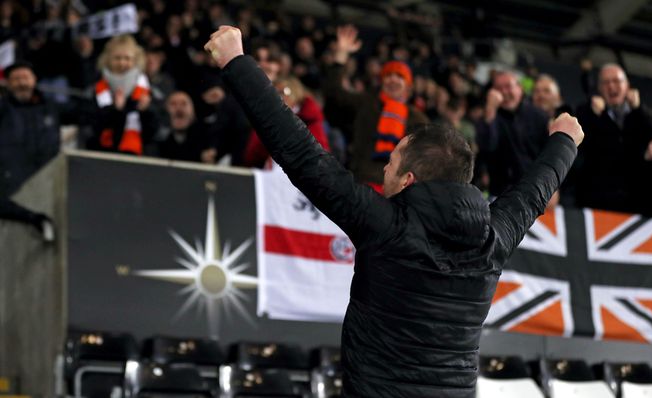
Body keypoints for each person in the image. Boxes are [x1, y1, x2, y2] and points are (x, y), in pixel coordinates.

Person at [205, 26, 583, 398]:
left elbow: (302, 154)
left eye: (392, 161)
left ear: (408, 179)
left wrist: (237, 63)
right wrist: (564, 142)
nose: (384, 168)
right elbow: (534, 191)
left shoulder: (384, 225)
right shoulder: (492, 239)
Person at [324, 24, 428, 192]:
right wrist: (341, 56)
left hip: (396, 193)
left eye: (399, 76)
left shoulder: (418, 120)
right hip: (359, 184)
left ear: (409, 88)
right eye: (388, 75)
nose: (392, 79)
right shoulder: (367, 102)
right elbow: (335, 94)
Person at [575, 63, 652, 213]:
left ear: (627, 86)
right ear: (599, 89)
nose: (611, 86)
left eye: (617, 81)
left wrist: (638, 110)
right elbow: (584, 150)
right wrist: (594, 116)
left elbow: (651, 143)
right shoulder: (586, 112)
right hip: (596, 202)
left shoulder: (643, 114)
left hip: (635, 204)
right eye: (606, 82)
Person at [0, 62, 58, 240]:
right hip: (10, 177)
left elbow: (89, 115)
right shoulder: (3, 109)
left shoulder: (51, 107)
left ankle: (40, 221)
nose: (22, 83)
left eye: (25, 78)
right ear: (8, 84)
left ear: (34, 80)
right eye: (16, 79)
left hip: (48, 175)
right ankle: (37, 220)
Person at [476, 70, 550, 196]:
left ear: (520, 88)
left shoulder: (539, 116)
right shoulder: (489, 117)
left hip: (536, 190)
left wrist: (552, 185)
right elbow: (487, 145)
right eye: (499, 88)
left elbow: (549, 153)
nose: (504, 92)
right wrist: (490, 110)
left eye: (508, 86)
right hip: (500, 192)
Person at [87, 35, 158, 156]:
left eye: (127, 58)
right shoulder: (99, 87)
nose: (122, 63)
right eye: (117, 58)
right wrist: (116, 111)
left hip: (137, 154)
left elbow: (152, 131)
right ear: (108, 60)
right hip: (105, 154)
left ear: (135, 60)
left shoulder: (145, 87)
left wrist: (145, 111)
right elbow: (94, 125)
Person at [243, 76, 330, 168]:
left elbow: (321, 159)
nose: (277, 97)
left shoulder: (310, 120)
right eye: (273, 93)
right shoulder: (265, 120)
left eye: (283, 92)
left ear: (295, 93)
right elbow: (251, 157)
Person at [157, 91, 216, 163]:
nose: (179, 109)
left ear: (193, 112)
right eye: (173, 104)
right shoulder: (158, 143)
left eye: (184, 104)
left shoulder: (207, 141)